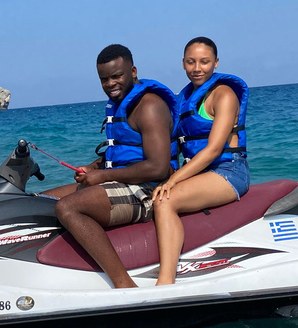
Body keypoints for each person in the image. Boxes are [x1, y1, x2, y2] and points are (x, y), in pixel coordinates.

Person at [43, 44, 178, 288]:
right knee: (39, 201)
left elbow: (158, 168)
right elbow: (123, 151)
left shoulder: (149, 106)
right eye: (104, 79)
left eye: (117, 76)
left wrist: (103, 176)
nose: (110, 84)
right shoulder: (120, 104)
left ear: (133, 71)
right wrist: (94, 167)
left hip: (150, 190)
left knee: (68, 208)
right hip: (125, 180)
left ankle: (124, 284)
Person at [152, 37, 250, 285]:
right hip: (198, 172)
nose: (197, 68)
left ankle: (166, 282)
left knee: (166, 200)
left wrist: (173, 180)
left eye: (204, 62)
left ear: (216, 63)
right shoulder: (185, 98)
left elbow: (214, 149)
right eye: (191, 62)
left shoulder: (224, 95)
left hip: (228, 171)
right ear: (183, 63)